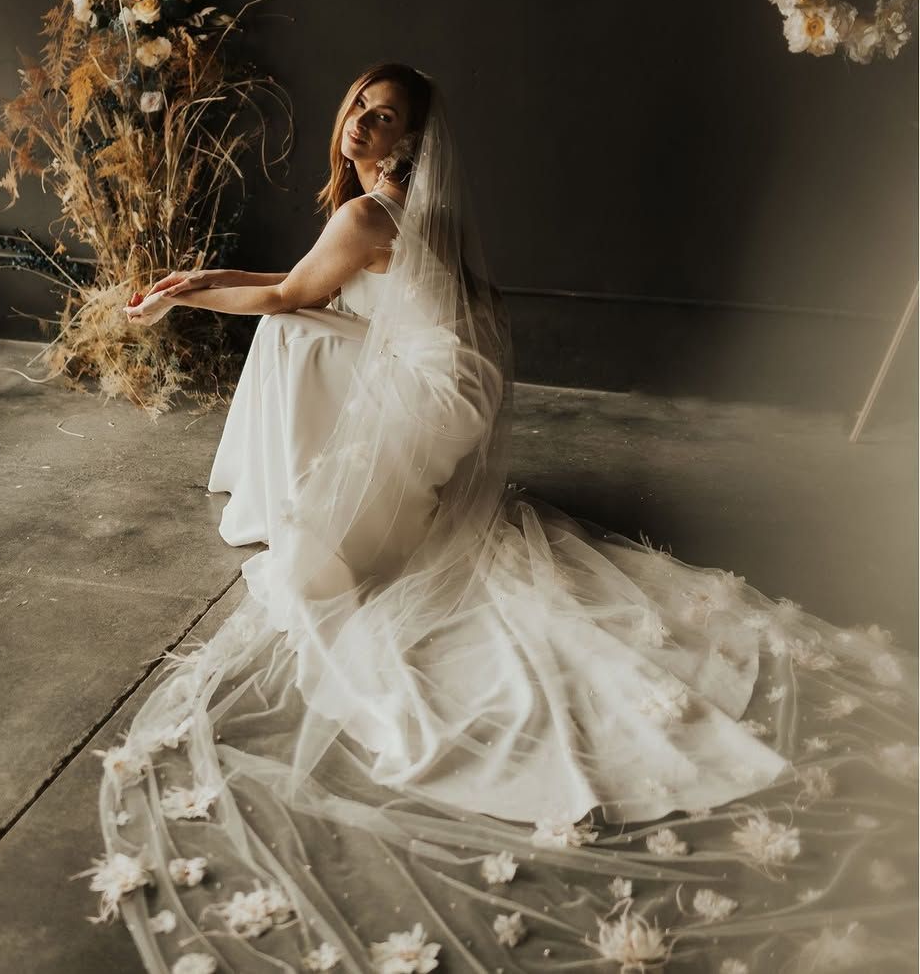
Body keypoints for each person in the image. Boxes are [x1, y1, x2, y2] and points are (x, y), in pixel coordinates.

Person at [87, 65, 917, 974]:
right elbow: (305, 280)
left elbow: (290, 297)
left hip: (435, 394)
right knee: (325, 498)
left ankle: (376, 524)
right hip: (463, 385)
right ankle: (373, 507)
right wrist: (203, 275)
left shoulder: (369, 213)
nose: (361, 122)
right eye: (359, 104)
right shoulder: (404, 203)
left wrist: (176, 298)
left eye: (384, 116)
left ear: (411, 141)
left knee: (311, 583)